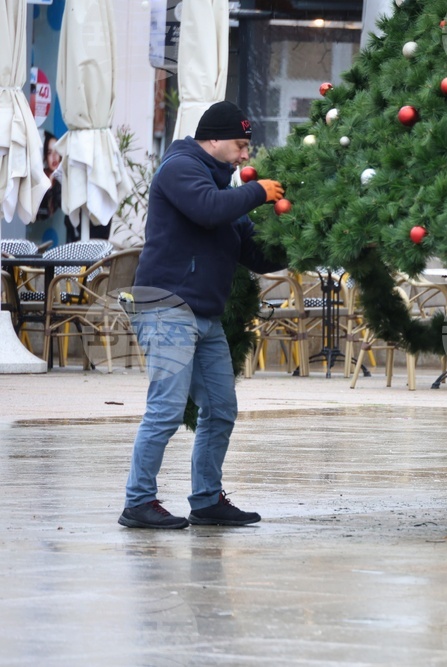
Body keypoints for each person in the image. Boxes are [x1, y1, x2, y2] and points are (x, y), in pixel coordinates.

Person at [118, 101, 286, 529]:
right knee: (167, 409)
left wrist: (311, 239)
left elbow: (257, 256)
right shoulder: (180, 168)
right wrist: (258, 191)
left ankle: (207, 499)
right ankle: (138, 502)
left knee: (221, 408)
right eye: (240, 144)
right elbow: (207, 209)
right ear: (213, 139)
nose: (246, 154)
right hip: (166, 307)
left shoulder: (224, 190)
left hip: (206, 315)